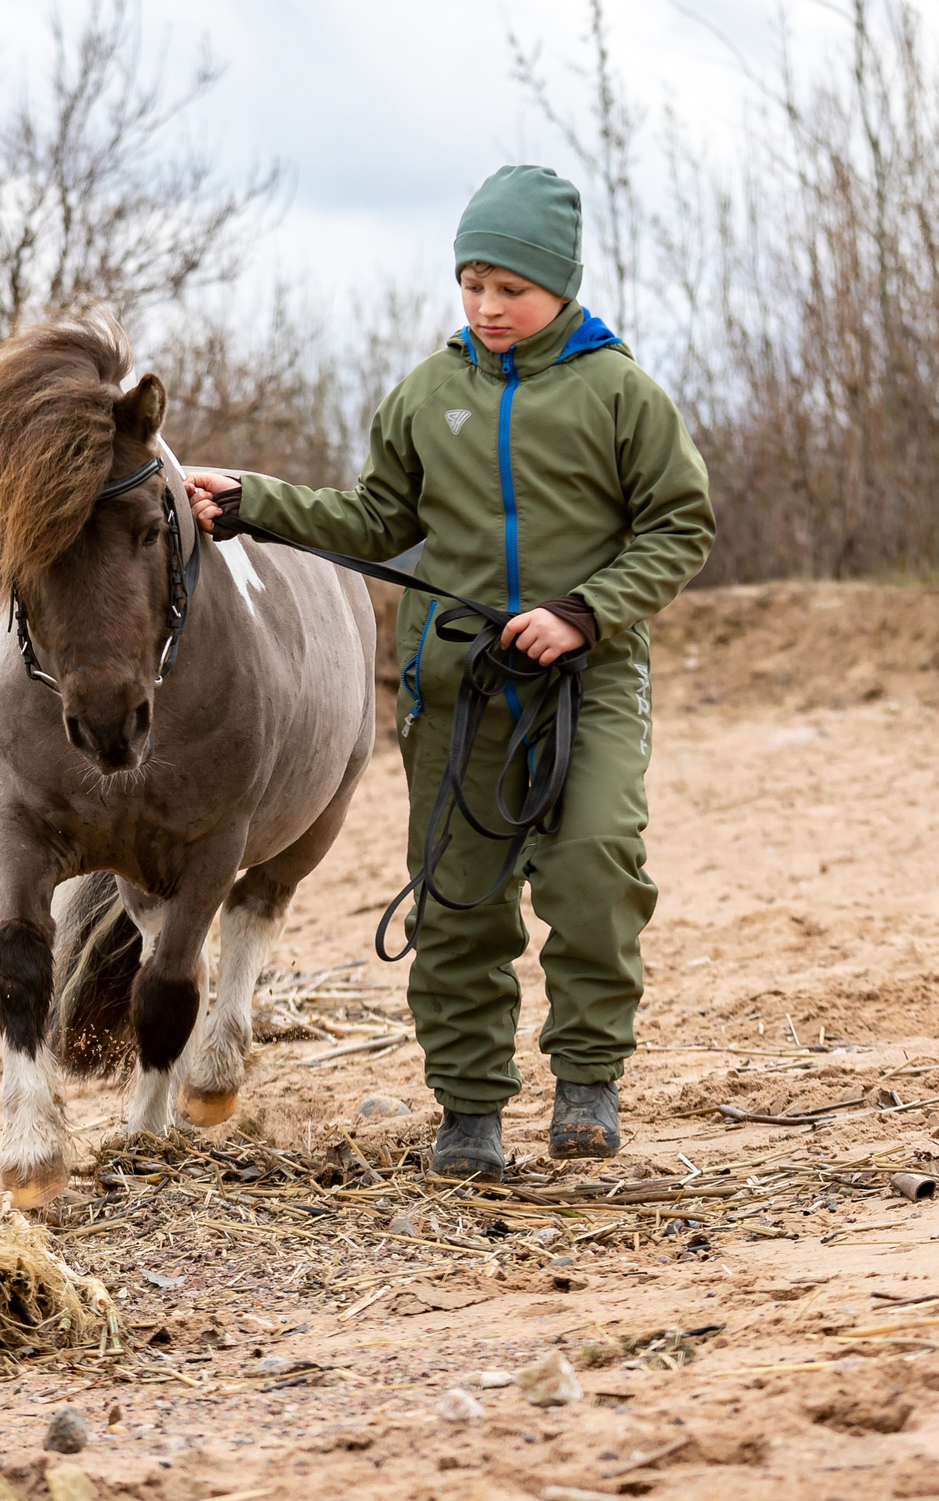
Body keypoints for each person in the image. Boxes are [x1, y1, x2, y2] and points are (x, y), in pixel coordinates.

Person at [185, 165, 715, 1177]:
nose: (486, 306)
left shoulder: (621, 394)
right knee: (458, 901)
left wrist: (585, 614)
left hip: (586, 682)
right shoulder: (428, 395)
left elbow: (679, 524)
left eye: (508, 287)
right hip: (457, 690)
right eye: (471, 283)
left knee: (594, 868)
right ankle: (469, 1111)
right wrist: (254, 500)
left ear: (557, 284)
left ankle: (587, 1085)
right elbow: (373, 520)